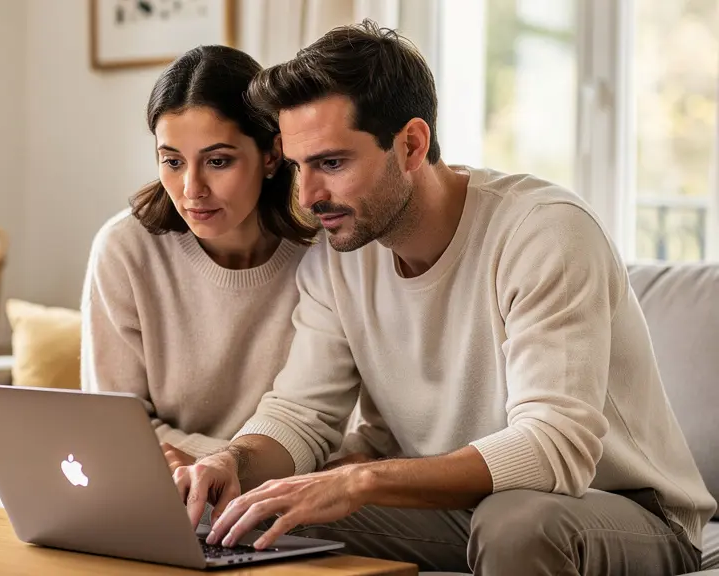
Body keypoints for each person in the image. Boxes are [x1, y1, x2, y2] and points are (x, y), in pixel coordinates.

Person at [173, 21, 717, 575]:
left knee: (517, 522)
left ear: (411, 144)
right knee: (249, 514)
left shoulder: (543, 232)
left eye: (332, 163)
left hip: (624, 511)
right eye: (297, 166)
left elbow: (554, 446)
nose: (309, 196)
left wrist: (359, 478)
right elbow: (302, 414)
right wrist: (231, 461)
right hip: (465, 509)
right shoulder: (337, 257)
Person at [80, 45, 318, 473]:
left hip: (294, 493)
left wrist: (237, 466)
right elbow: (115, 425)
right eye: (171, 161)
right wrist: (230, 464)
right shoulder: (125, 250)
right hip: (166, 486)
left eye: (218, 161)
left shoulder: (323, 252)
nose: (192, 188)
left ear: (271, 155)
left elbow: (335, 424)